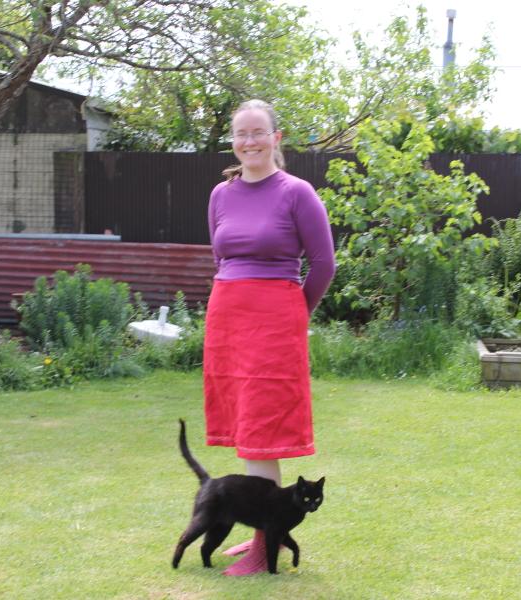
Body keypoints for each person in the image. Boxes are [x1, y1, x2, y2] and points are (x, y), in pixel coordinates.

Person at [203, 99, 336, 576]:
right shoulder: (221, 194)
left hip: (275, 322)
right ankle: (265, 533)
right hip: (228, 322)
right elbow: (222, 259)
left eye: (258, 132)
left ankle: (264, 548)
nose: (249, 141)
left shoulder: (297, 192)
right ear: (233, 142)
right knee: (244, 432)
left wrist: (295, 312)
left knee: (263, 436)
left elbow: (323, 264)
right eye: (241, 133)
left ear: (276, 138)